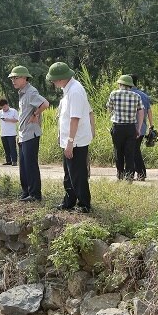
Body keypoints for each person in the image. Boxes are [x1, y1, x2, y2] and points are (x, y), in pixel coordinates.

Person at [47, 62, 94, 213]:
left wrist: (70, 142)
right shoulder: (67, 90)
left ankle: (84, 205)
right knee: (69, 173)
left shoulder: (75, 91)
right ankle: (69, 201)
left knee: (78, 173)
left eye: (53, 80)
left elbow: (75, 119)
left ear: (61, 79)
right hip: (69, 140)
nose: (53, 83)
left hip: (76, 141)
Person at [9, 65, 49, 202]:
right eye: (12, 78)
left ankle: (35, 194)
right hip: (23, 134)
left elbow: (45, 103)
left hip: (31, 134)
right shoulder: (22, 92)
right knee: (23, 165)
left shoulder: (31, 92)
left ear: (25, 78)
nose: (13, 80)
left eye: (16, 77)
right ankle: (26, 191)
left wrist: (36, 114)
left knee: (30, 164)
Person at [105, 75, 144, 181]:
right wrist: (139, 128)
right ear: (130, 85)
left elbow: (109, 109)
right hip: (131, 127)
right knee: (130, 152)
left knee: (118, 151)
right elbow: (141, 112)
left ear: (120, 84)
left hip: (118, 127)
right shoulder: (136, 96)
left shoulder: (114, 94)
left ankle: (120, 174)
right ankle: (129, 175)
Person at [131, 75, 153, 181]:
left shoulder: (130, 95)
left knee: (134, 150)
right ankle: (139, 172)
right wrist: (151, 126)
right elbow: (149, 111)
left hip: (133, 127)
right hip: (143, 127)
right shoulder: (144, 95)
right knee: (135, 150)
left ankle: (141, 173)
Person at [0, 99, 19, 166]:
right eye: (2, 107)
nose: (4, 109)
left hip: (11, 133)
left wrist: (8, 120)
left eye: (5, 107)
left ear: (7, 105)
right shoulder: (0, 112)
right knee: (6, 148)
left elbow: (16, 120)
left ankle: (14, 161)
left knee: (12, 147)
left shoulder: (13, 111)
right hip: (3, 133)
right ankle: (8, 160)